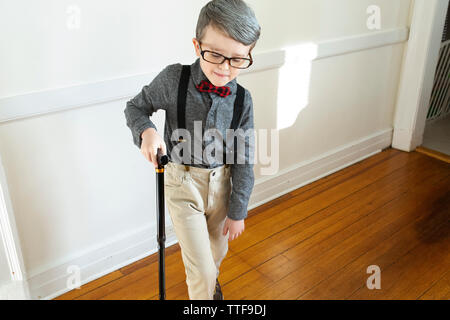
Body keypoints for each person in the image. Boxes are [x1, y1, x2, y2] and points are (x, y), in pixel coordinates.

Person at [124, 0, 260, 300]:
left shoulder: (243, 100)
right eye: (215, 55)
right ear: (197, 46)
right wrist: (147, 132)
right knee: (201, 269)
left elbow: (243, 159)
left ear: (248, 55)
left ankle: (210, 285)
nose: (225, 68)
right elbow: (136, 107)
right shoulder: (175, 79)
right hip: (182, 183)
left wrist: (237, 211)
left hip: (221, 186)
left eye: (237, 59)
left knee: (215, 256)